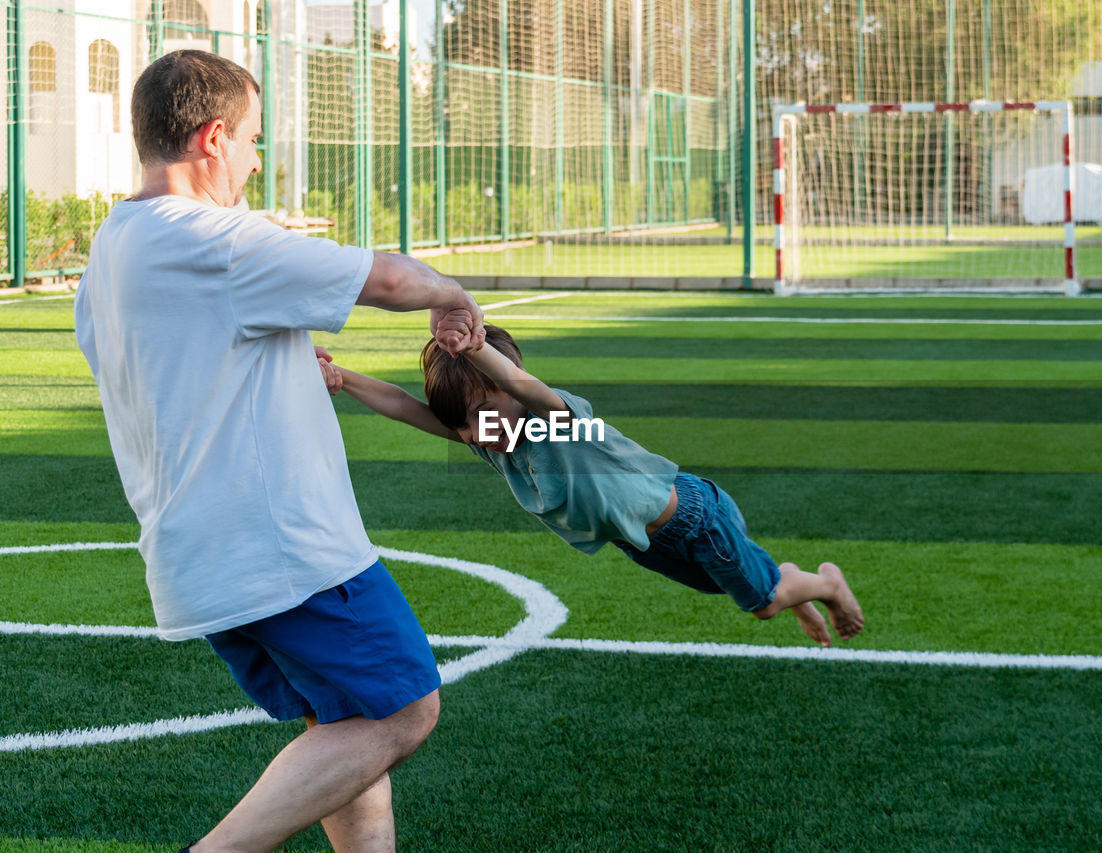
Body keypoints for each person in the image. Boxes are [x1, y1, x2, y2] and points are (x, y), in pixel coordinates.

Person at [73, 50, 484, 853]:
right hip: (284, 545)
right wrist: (453, 295)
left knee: (340, 720)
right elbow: (392, 280)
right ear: (213, 137)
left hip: (196, 551)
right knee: (405, 706)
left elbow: (199, 362)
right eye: (255, 139)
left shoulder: (110, 252)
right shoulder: (213, 237)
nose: (259, 159)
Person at [328, 323, 865, 646]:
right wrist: (342, 376)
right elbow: (402, 404)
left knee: (762, 604)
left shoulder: (557, 419)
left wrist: (471, 346)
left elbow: (521, 385)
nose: (470, 433)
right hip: (646, 543)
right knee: (745, 587)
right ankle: (785, 579)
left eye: (476, 414)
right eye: (461, 423)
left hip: (695, 519)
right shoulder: (490, 436)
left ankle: (824, 586)